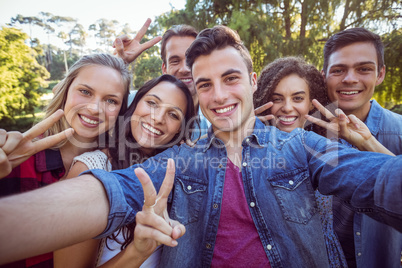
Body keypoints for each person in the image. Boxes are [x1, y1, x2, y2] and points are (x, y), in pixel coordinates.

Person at [0, 25, 402, 267]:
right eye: (205, 84)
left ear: (251, 78)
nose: (219, 94)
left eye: (230, 78)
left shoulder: (303, 146)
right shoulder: (180, 160)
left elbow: (377, 179)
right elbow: (109, 193)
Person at [253, 56, 395, 268]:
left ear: (312, 103)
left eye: (298, 98)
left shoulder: (326, 149)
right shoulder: (252, 152)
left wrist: (367, 142)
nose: (287, 107)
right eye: (278, 98)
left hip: (326, 259)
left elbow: (386, 181)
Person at [0, 53, 130, 267]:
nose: (95, 108)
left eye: (110, 100)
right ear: (65, 91)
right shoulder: (14, 158)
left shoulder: (118, 169)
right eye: (85, 92)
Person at [54, 74, 195, 268]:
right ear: (134, 106)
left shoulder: (179, 179)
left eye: (174, 115)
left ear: (181, 129)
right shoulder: (91, 168)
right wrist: (137, 252)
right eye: (152, 103)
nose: (158, 118)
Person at [321, 27, 402, 268]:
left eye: (364, 69)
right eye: (338, 70)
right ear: (323, 74)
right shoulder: (307, 132)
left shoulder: (398, 132)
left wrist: (369, 144)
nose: (350, 78)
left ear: (380, 74)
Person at [114, 21, 211, 138]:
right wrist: (118, 63)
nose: (185, 69)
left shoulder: (213, 121)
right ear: (164, 68)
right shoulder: (135, 102)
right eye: (175, 61)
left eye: (191, 60)